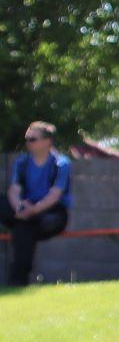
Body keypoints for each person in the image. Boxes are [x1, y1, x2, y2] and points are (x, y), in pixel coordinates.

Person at [3, 122, 71, 287]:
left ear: (47, 141)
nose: (28, 142)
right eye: (27, 139)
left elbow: (54, 196)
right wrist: (19, 207)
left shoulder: (60, 164)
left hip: (51, 213)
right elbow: (14, 190)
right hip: (23, 210)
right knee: (22, 225)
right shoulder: (22, 162)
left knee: (23, 227)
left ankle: (17, 281)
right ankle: (18, 282)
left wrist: (32, 211)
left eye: (32, 139)